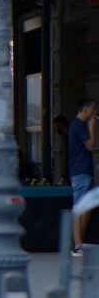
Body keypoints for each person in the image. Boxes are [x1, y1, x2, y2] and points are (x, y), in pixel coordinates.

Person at [69, 98, 97, 255]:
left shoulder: (77, 125)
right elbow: (90, 146)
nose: (94, 113)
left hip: (85, 170)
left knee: (88, 206)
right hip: (80, 172)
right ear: (85, 109)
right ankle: (78, 245)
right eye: (92, 109)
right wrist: (92, 127)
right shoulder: (79, 125)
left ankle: (80, 242)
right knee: (79, 208)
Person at [53, 115, 69, 184]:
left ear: (60, 124)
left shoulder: (69, 136)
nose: (56, 129)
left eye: (55, 126)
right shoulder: (67, 136)